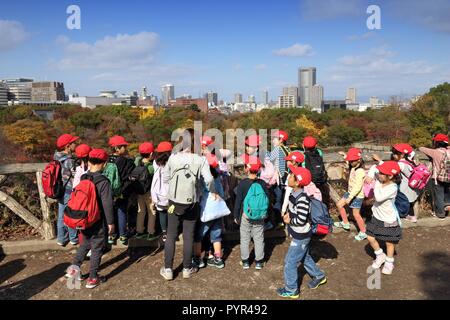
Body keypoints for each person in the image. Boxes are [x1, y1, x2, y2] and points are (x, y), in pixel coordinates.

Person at [160, 129, 217, 281]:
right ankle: (186, 268)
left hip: (173, 201)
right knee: (188, 236)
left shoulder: (173, 157)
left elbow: (165, 177)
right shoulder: (200, 159)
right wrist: (208, 190)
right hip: (192, 202)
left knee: (171, 235)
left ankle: (168, 269)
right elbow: (210, 179)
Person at [65, 149, 115, 289]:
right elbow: (107, 204)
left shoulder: (84, 177)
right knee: (97, 248)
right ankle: (93, 278)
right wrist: (111, 223)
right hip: (98, 220)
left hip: (84, 218)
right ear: (104, 164)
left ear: (89, 161)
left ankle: (73, 270)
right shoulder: (103, 182)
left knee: (85, 244)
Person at [276, 166, 327, 299]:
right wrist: (289, 215)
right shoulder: (294, 193)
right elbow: (295, 213)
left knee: (290, 262)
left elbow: (301, 219)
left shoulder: (302, 199)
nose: (289, 176)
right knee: (304, 257)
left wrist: (289, 221)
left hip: (302, 235)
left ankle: (291, 289)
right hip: (299, 234)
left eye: (291, 174)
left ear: (297, 182)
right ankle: (319, 276)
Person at [366, 161, 402, 275]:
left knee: (389, 242)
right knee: (370, 237)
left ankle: (389, 261)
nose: (379, 174)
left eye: (382, 173)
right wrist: (372, 174)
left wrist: (375, 181)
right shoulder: (382, 180)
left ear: (390, 176)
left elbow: (378, 197)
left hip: (389, 218)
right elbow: (374, 168)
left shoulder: (393, 187)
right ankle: (380, 254)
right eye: (380, 172)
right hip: (376, 216)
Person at [233, 155, 269, 270]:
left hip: (246, 215)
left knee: (244, 237)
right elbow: (268, 199)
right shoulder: (263, 183)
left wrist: (235, 215)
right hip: (260, 216)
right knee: (258, 238)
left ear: (246, 168)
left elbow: (238, 201)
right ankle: (259, 262)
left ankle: (245, 261)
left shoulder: (243, 184)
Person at [193, 154, 226, 269]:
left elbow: (198, 192)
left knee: (198, 235)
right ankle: (218, 259)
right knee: (216, 236)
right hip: (218, 210)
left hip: (207, 210)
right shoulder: (218, 178)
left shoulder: (203, 178)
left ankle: (198, 259)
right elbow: (222, 194)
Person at [371, 143, 419, 222]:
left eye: (395, 153)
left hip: (404, 189)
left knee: (400, 202)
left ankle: (401, 216)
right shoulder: (409, 162)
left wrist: (379, 160)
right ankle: (411, 216)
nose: (393, 155)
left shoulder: (401, 164)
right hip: (411, 188)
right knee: (407, 204)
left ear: (402, 155)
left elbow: (389, 168)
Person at [334, 148, 367, 241]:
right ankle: (345, 223)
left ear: (359, 160)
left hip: (356, 196)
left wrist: (350, 197)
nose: (350, 162)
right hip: (350, 193)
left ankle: (363, 232)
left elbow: (358, 186)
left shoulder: (360, 171)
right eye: (350, 161)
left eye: (352, 161)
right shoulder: (353, 166)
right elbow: (349, 162)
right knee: (339, 204)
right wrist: (344, 155)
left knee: (356, 214)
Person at [107, 135, 135, 245]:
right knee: (122, 212)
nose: (125, 148)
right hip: (121, 191)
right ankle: (123, 236)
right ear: (117, 148)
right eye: (123, 146)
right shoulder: (125, 161)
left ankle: (111, 236)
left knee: (110, 212)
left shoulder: (106, 160)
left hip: (108, 192)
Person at [54, 134, 79, 246]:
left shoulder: (56, 157)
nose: (76, 144)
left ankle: (61, 238)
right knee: (71, 214)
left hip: (59, 189)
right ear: (67, 146)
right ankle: (73, 238)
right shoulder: (69, 160)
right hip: (68, 190)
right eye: (74, 143)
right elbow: (76, 176)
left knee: (61, 214)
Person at [281, 151, 322, 217]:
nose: (286, 162)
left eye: (288, 160)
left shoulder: (292, 176)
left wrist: (283, 210)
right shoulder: (304, 172)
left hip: (295, 208)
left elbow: (287, 195)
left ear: (294, 162)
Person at [419, 134, 450, 219]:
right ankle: (447, 208)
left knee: (439, 195)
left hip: (438, 178)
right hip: (449, 177)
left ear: (437, 143)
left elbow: (421, 148)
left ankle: (440, 214)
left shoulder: (435, 152)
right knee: (447, 193)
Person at [266, 130, 291, 226]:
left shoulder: (278, 149)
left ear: (281, 140)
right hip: (286, 179)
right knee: (285, 200)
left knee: (277, 200)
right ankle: (284, 219)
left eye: (274, 139)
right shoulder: (287, 149)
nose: (272, 141)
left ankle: (277, 221)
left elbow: (269, 158)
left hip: (279, 179)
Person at [134, 142, 157, 240]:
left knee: (140, 211)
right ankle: (151, 232)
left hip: (139, 191)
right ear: (151, 154)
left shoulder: (137, 163)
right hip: (149, 192)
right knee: (152, 211)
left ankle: (139, 231)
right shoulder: (151, 167)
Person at [151, 141, 173, 243]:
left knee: (162, 212)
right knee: (171, 212)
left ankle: (164, 233)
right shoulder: (172, 161)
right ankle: (173, 232)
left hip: (159, 191)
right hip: (171, 192)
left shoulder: (156, 162)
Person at [302, 136, 330, 206]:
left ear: (304, 145)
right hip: (320, 179)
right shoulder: (319, 152)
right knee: (321, 197)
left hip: (310, 180)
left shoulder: (304, 155)